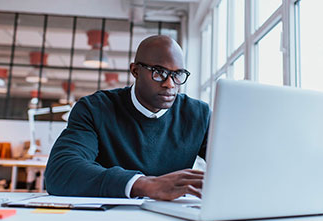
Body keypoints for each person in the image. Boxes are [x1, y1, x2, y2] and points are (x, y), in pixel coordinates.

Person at [44, 35, 210, 201]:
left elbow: (232, 164)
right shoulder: (95, 109)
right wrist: (144, 185)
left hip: (175, 216)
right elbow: (60, 171)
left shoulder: (198, 114)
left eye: (178, 74)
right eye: (159, 73)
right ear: (135, 71)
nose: (170, 84)